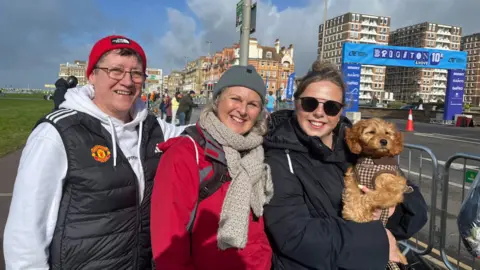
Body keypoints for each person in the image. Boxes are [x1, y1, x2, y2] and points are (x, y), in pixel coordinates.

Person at [4, 35, 188, 270]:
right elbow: (25, 236)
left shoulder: (153, 127)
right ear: (92, 75)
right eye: (116, 70)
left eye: (136, 73)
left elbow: (195, 135)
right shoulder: (57, 133)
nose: (127, 81)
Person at [263, 60, 428, 269]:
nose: (319, 113)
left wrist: (393, 210)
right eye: (310, 103)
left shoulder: (361, 146)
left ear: (340, 111)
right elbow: (293, 235)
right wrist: (378, 241)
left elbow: (411, 202)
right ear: (296, 103)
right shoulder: (279, 156)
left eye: (331, 107)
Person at [150, 65, 274, 270]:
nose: (242, 111)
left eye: (252, 104)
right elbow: (169, 247)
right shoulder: (186, 153)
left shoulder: (257, 151)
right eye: (235, 99)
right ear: (217, 101)